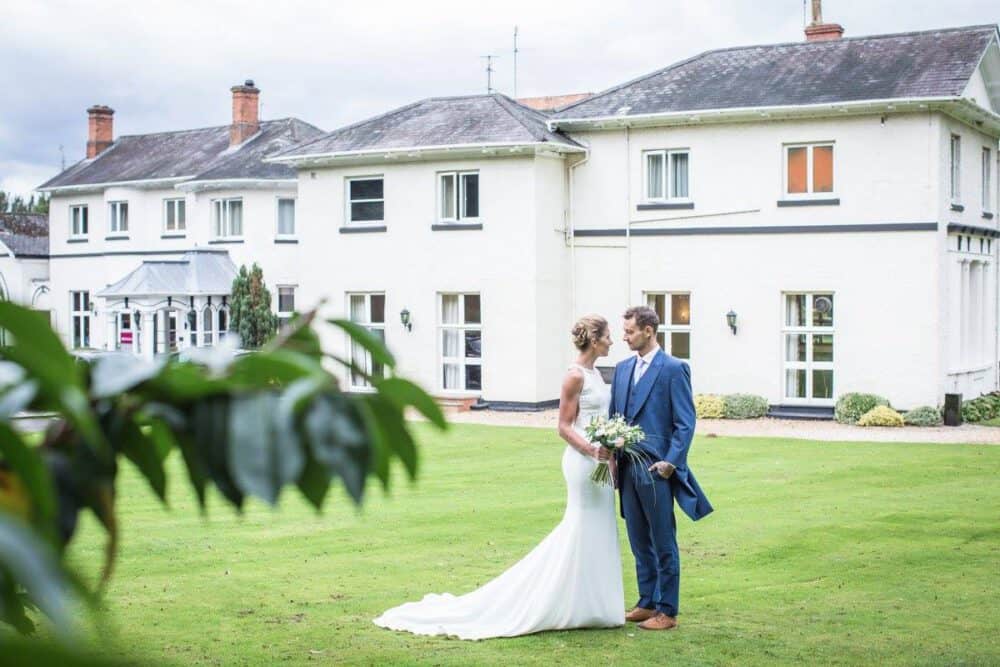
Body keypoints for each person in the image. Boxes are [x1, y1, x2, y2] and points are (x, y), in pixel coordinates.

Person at [372, 314, 624, 639]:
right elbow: (563, 426)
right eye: (608, 336)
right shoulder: (574, 376)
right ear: (594, 339)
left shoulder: (596, 375)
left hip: (603, 461)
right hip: (583, 462)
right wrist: (592, 451)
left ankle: (594, 605)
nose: (612, 341)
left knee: (600, 527)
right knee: (581, 526)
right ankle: (565, 602)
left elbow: (600, 418)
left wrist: (611, 453)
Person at [610, 306, 713, 631]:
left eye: (629, 332)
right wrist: (612, 456)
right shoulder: (623, 368)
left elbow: (685, 422)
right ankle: (647, 602)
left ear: (649, 331)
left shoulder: (673, 369)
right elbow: (616, 417)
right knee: (638, 538)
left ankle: (667, 610)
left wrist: (671, 462)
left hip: (656, 469)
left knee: (663, 540)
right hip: (626, 467)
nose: (624, 337)